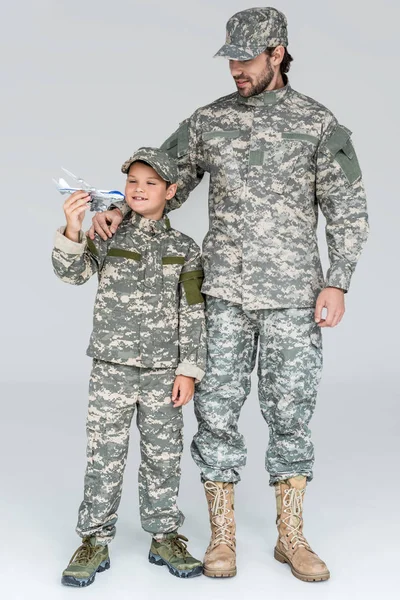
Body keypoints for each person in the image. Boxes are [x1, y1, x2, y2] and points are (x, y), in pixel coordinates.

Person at [89, 7, 369, 583]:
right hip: (221, 292)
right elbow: (163, 180)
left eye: (247, 59)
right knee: (216, 412)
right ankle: (222, 538)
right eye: (231, 59)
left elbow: (347, 206)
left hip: (294, 292)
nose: (237, 70)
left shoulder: (317, 123)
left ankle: (290, 537)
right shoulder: (207, 121)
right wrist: (118, 208)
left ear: (278, 53)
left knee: (291, 412)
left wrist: (337, 278)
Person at [52, 148, 206, 587]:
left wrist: (189, 370)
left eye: (151, 183)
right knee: (105, 455)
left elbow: (194, 312)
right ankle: (94, 540)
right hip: (112, 367)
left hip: (164, 371)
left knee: (164, 456)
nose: (139, 189)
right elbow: (71, 274)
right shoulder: (108, 233)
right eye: (133, 182)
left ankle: (164, 534)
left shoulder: (184, 249)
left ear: (171, 192)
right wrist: (73, 228)